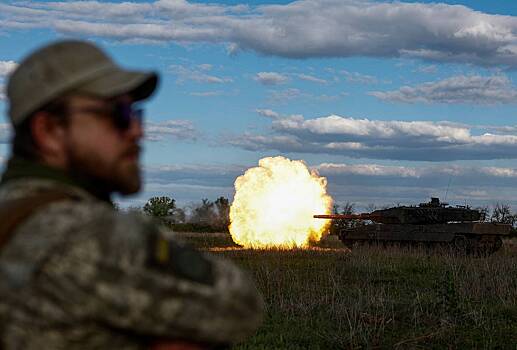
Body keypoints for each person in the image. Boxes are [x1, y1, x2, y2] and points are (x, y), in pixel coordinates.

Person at [0, 40, 264, 349]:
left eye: (136, 114)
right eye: (118, 114)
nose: (136, 131)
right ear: (49, 131)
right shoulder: (88, 233)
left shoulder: (12, 215)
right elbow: (239, 305)